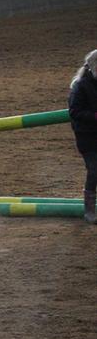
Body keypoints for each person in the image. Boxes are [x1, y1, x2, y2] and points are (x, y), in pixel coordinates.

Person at [68, 49, 97, 224]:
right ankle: (89, 208)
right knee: (94, 170)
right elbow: (75, 112)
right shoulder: (80, 86)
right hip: (87, 135)